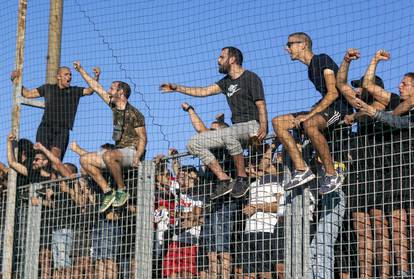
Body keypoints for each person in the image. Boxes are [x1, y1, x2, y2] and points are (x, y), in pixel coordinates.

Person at [160, 46, 268, 200]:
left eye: (221, 57)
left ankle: (242, 178)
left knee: (229, 135)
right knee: (193, 143)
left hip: (252, 126)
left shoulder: (251, 77)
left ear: (232, 59)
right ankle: (224, 179)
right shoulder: (226, 82)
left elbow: (261, 104)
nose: (218, 61)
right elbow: (203, 91)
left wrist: (263, 126)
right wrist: (177, 88)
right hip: (234, 129)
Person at [272, 32, 352, 194]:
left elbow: (333, 93)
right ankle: (302, 169)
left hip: (339, 109)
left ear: (303, 44)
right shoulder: (310, 69)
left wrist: (308, 115)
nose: (287, 48)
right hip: (325, 108)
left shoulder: (322, 59)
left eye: (290, 44)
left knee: (309, 124)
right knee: (278, 122)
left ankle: (332, 174)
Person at [73, 61, 147, 213]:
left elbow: (143, 138)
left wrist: (137, 156)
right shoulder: (114, 106)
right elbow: (96, 87)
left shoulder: (135, 113)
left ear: (121, 93)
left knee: (108, 155)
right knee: (84, 159)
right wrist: (81, 70)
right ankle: (108, 191)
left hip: (132, 151)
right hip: (117, 152)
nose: (108, 90)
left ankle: (122, 190)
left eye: (112, 88)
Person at [10, 66, 101, 160]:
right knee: (40, 157)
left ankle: (54, 175)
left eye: (70, 75)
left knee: (55, 157)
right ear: (58, 77)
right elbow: (27, 94)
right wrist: (15, 81)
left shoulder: (74, 91)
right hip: (45, 127)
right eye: (66, 74)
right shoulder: (48, 88)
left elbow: (90, 91)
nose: (69, 77)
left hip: (62, 129)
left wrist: (96, 77)